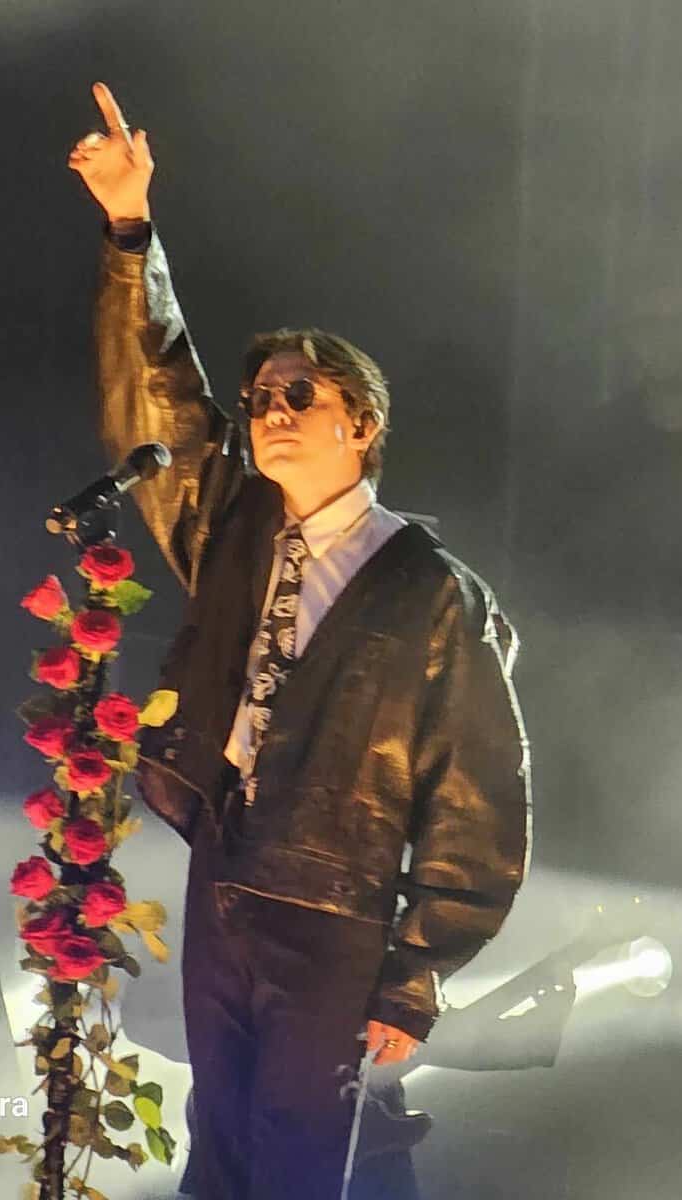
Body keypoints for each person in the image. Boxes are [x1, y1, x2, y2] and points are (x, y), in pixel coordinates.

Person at [69, 81, 531, 1200]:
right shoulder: (235, 530)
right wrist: (131, 233)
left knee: (307, 1155)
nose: (270, 410)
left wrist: (414, 970)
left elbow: (478, 791)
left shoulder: (431, 592)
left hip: (339, 904)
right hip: (227, 870)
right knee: (221, 1141)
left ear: (360, 425)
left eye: (299, 395)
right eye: (262, 396)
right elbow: (162, 400)